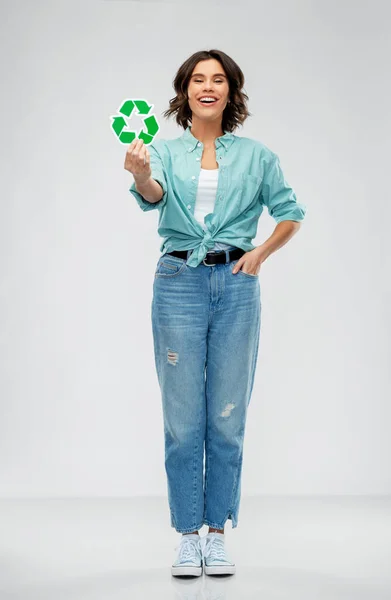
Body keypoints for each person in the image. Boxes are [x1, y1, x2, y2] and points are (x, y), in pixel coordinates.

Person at [124, 49, 307, 577]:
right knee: (183, 419)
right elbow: (154, 195)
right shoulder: (162, 151)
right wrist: (139, 174)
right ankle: (186, 535)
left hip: (236, 283)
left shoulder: (256, 155)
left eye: (218, 79)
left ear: (231, 91)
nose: (208, 87)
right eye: (198, 79)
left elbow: (291, 212)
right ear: (184, 92)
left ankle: (217, 533)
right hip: (177, 281)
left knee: (227, 415)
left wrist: (260, 254)